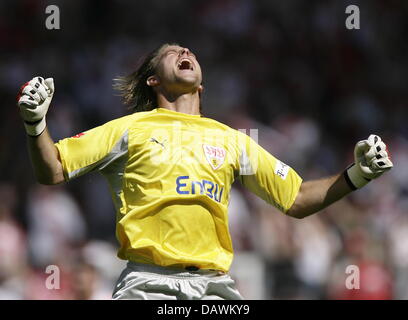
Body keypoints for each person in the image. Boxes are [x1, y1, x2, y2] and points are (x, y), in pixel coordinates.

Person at [16, 43, 393, 300]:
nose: (184, 51)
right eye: (170, 53)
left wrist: (356, 174)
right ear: (153, 80)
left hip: (216, 289)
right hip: (150, 285)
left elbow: (295, 199)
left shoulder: (231, 139)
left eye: (188, 50)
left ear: (202, 82)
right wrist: (36, 125)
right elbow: (53, 171)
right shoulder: (129, 129)